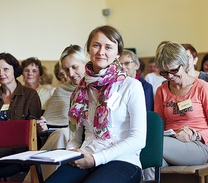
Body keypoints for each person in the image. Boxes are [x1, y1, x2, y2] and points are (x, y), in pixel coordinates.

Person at [45, 25, 146, 183]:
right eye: (96, 45)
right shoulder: (79, 91)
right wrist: (73, 153)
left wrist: (96, 159)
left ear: (118, 53)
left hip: (122, 161)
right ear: (89, 49)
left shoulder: (131, 86)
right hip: (85, 158)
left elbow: (138, 139)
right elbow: (74, 137)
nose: (101, 52)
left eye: (108, 47)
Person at [143, 41, 208, 180]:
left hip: (196, 145)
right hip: (168, 143)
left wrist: (194, 134)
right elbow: (158, 126)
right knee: (145, 163)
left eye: (174, 70)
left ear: (184, 64)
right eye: (164, 73)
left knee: (151, 146)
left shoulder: (203, 87)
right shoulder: (162, 91)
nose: (170, 76)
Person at [24, 44, 87, 182]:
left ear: (86, 63)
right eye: (66, 69)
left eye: (74, 67)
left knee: (64, 135)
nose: (70, 74)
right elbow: (50, 122)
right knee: (63, 134)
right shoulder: (60, 91)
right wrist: (44, 126)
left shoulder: (98, 87)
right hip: (64, 137)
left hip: (90, 139)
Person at [0, 52, 41, 180]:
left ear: (14, 70)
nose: (1, 73)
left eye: (6, 69)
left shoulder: (30, 95)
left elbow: (33, 127)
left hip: (18, 148)